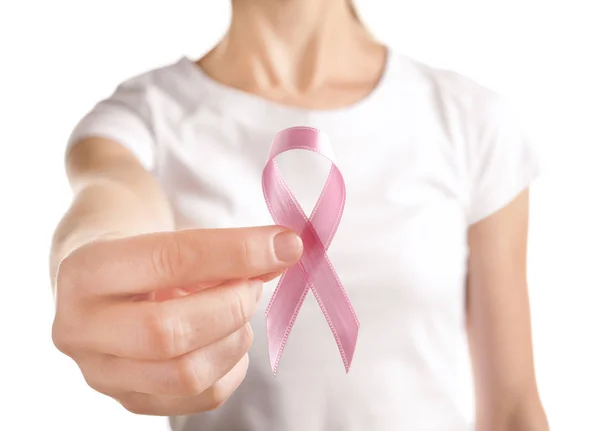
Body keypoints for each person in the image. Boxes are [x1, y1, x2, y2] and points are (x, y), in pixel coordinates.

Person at [49, 0, 550, 430]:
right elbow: (109, 197)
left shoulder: (469, 120)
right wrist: (93, 267)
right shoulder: (147, 119)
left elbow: (512, 409)